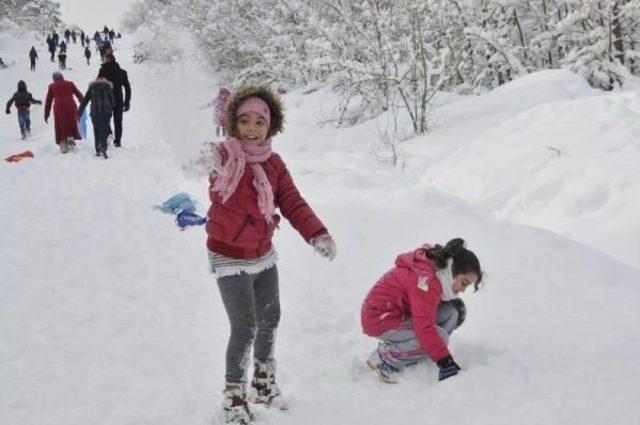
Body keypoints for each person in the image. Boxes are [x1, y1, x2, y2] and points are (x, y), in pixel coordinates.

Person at [197, 85, 337, 425]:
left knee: (270, 318)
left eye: (259, 121)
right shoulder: (224, 155)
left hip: (263, 254)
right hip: (229, 257)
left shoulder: (274, 164)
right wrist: (195, 153)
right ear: (233, 124)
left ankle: (262, 383)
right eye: (243, 121)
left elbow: (291, 201)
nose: (251, 128)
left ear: (271, 125)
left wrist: (317, 232)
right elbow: (198, 159)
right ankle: (233, 398)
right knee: (244, 327)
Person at [361, 238, 483, 384]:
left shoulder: (438, 272)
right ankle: (385, 356)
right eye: (464, 283)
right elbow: (424, 327)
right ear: (453, 270)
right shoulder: (426, 281)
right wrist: (445, 361)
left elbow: (424, 309)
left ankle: (421, 350)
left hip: (400, 314)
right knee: (440, 337)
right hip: (380, 319)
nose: (463, 290)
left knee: (452, 312)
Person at [44, 72, 84, 153]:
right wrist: (82, 104)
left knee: (61, 125)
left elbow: (48, 101)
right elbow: (79, 94)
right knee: (71, 123)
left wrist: (46, 114)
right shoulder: (70, 84)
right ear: (62, 77)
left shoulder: (52, 86)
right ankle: (71, 139)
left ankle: (64, 145)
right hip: (71, 106)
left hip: (59, 108)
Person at [97, 53, 130, 147]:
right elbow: (127, 88)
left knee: (105, 119)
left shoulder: (103, 70)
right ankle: (118, 142)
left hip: (106, 100)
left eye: (104, 59)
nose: (102, 60)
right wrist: (127, 101)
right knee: (118, 121)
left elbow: (98, 84)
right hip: (119, 100)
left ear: (109, 60)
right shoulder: (122, 72)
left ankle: (109, 132)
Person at [77, 77, 115, 158]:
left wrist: (79, 112)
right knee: (104, 129)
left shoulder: (92, 88)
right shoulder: (108, 88)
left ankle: (97, 150)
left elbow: (85, 101)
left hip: (95, 113)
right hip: (106, 113)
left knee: (96, 130)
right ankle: (103, 147)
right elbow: (113, 102)